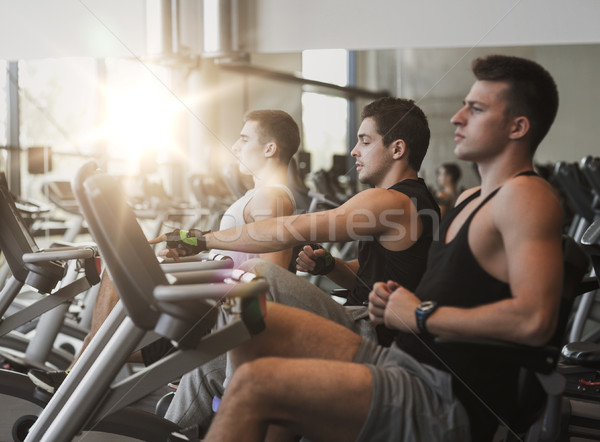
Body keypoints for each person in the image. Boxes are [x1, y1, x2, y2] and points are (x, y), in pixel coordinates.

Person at [199, 54, 563, 442]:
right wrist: (384, 294)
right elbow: (435, 280)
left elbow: (534, 320)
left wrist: (421, 314)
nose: (457, 118)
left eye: (475, 109)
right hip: (405, 357)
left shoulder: (526, 195)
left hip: (438, 393)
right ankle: (233, 408)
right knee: (255, 331)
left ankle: (215, 410)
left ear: (518, 126)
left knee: (257, 366)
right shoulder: (472, 197)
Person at [157, 97, 440, 430]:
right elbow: (370, 279)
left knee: (259, 275)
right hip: (366, 316)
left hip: (377, 332)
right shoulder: (409, 200)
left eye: (364, 141)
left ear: (397, 149)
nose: (354, 151)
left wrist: (197, 240)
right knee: (206, 364)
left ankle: (244, 395)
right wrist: (329, 266)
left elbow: (286, 232)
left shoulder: (391, 199)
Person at [27, 109, 301, 393]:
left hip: (221, 312)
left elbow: (273, 276)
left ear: (270, 148)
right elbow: (243, 252)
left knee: (117, 273)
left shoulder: (272, 197)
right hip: (214, 298)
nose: (235, 146)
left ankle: (77, 375)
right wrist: (191, 254)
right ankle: (79, 371)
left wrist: (209, 285)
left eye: (244, 139)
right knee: (117, 268)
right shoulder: (259, 195)